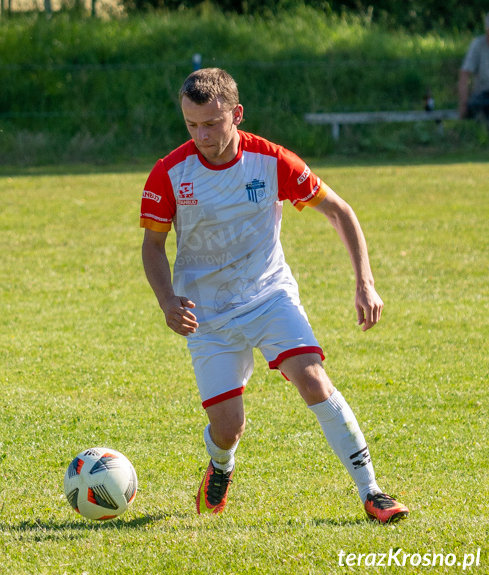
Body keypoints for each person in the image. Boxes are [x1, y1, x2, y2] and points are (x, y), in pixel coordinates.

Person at [139, 68, 409, 523]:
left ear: (236, 114)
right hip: (206, 313)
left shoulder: (271, 161)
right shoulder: (169, 173)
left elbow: (339, 212)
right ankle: (221, 465)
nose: (201, 135)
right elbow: (152, 246)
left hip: (268, 295)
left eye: (211, 123)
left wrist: (365, 281)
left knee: (313, 380)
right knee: (228, 429)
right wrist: (168, 301)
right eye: (191, 125)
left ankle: (373, 491)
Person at [458, 12, 489, 120]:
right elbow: (464, 73)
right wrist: (463, 103)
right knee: (476, 106)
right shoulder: (478, 45)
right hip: (483, 96)